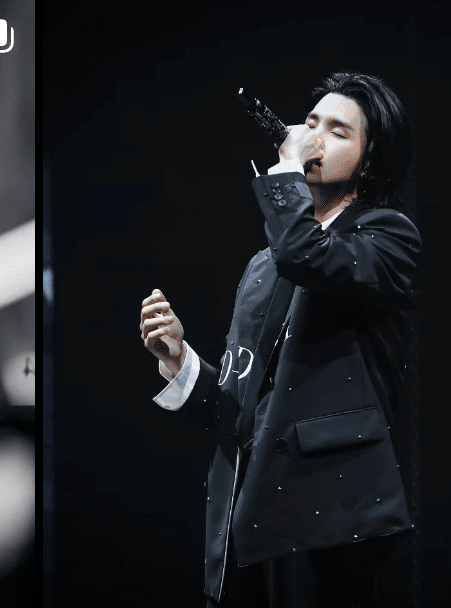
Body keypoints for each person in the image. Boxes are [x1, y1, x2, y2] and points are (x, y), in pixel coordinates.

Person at [137, 72, 420, 607]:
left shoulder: (388, 237)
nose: (312, 136)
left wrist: (286, 173)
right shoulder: (264, 264)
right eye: (310, 121)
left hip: (332, 517)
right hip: (251, 515)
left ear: (370, 158)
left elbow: (309, 255)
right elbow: (240, 407)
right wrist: (180, 362)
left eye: (338, 131)